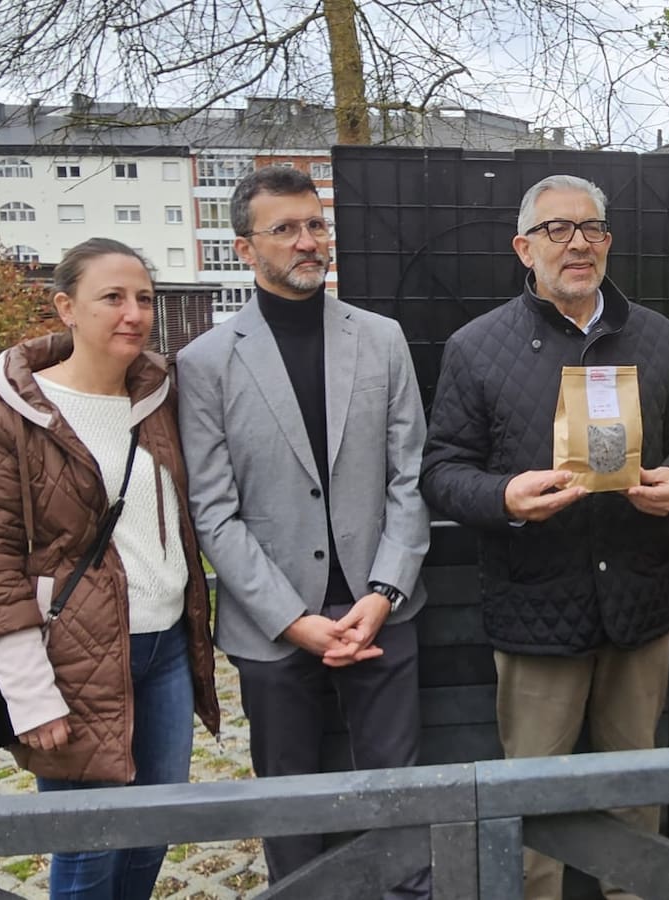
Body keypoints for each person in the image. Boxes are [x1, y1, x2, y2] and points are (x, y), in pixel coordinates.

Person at [420, 173, 669, 900]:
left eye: (592, 228)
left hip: (638, 606)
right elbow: (440, 469)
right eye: (557, 229)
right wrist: (505, 497)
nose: (578, 243)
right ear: (524, 247)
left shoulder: (655, 336)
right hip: (535, 605)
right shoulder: (475, 346)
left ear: (609, 243)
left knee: (633, 795)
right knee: (532, 802)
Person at [176, 166, 431, 895]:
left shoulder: (382, 340)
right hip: (271, 621)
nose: (308, 241)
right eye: (285, 228)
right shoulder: (204, 364)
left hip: (381, 609)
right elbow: (213, 512)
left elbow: (407, 477)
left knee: (398, 793)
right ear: (243, 249)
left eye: (315, 224)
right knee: (288, 797)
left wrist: (382, 591)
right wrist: (293, 620)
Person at [0, 238, 219, 900]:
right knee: (89, 849)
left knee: (152, 832)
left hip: (166, 650)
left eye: (143, 298)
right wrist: (28, 694)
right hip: (73, 663)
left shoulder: (160, 396)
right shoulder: (7, 414)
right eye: (111, 297)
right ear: (65, 307)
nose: (133, 313)